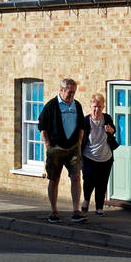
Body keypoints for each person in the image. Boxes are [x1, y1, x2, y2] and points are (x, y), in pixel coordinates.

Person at [38, 78, 89, 223]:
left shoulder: (76, 105)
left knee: (76, 177)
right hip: (56, 148)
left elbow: (81, 126)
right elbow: (42, 126)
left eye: (74, 92)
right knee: (54, 179)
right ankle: (54, 212)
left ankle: (76, 211)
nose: (72, 95)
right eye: (69, 92)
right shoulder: (51, 106)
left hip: (73, 148)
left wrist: (79, 142)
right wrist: (48, 145)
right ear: (61, 90)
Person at [80, 92, 117, 216]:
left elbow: (113, 129)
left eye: (100, 107)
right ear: (90, 106)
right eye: (95, 106)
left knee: (102, 183)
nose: (97, 109)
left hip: (106, 157)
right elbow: (80, 139)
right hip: (89, 156)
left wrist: (111, 130)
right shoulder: (85, 121)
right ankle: (86, 200)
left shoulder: (106, 118)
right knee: (88, 180)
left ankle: (99, 208)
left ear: (103, 107)